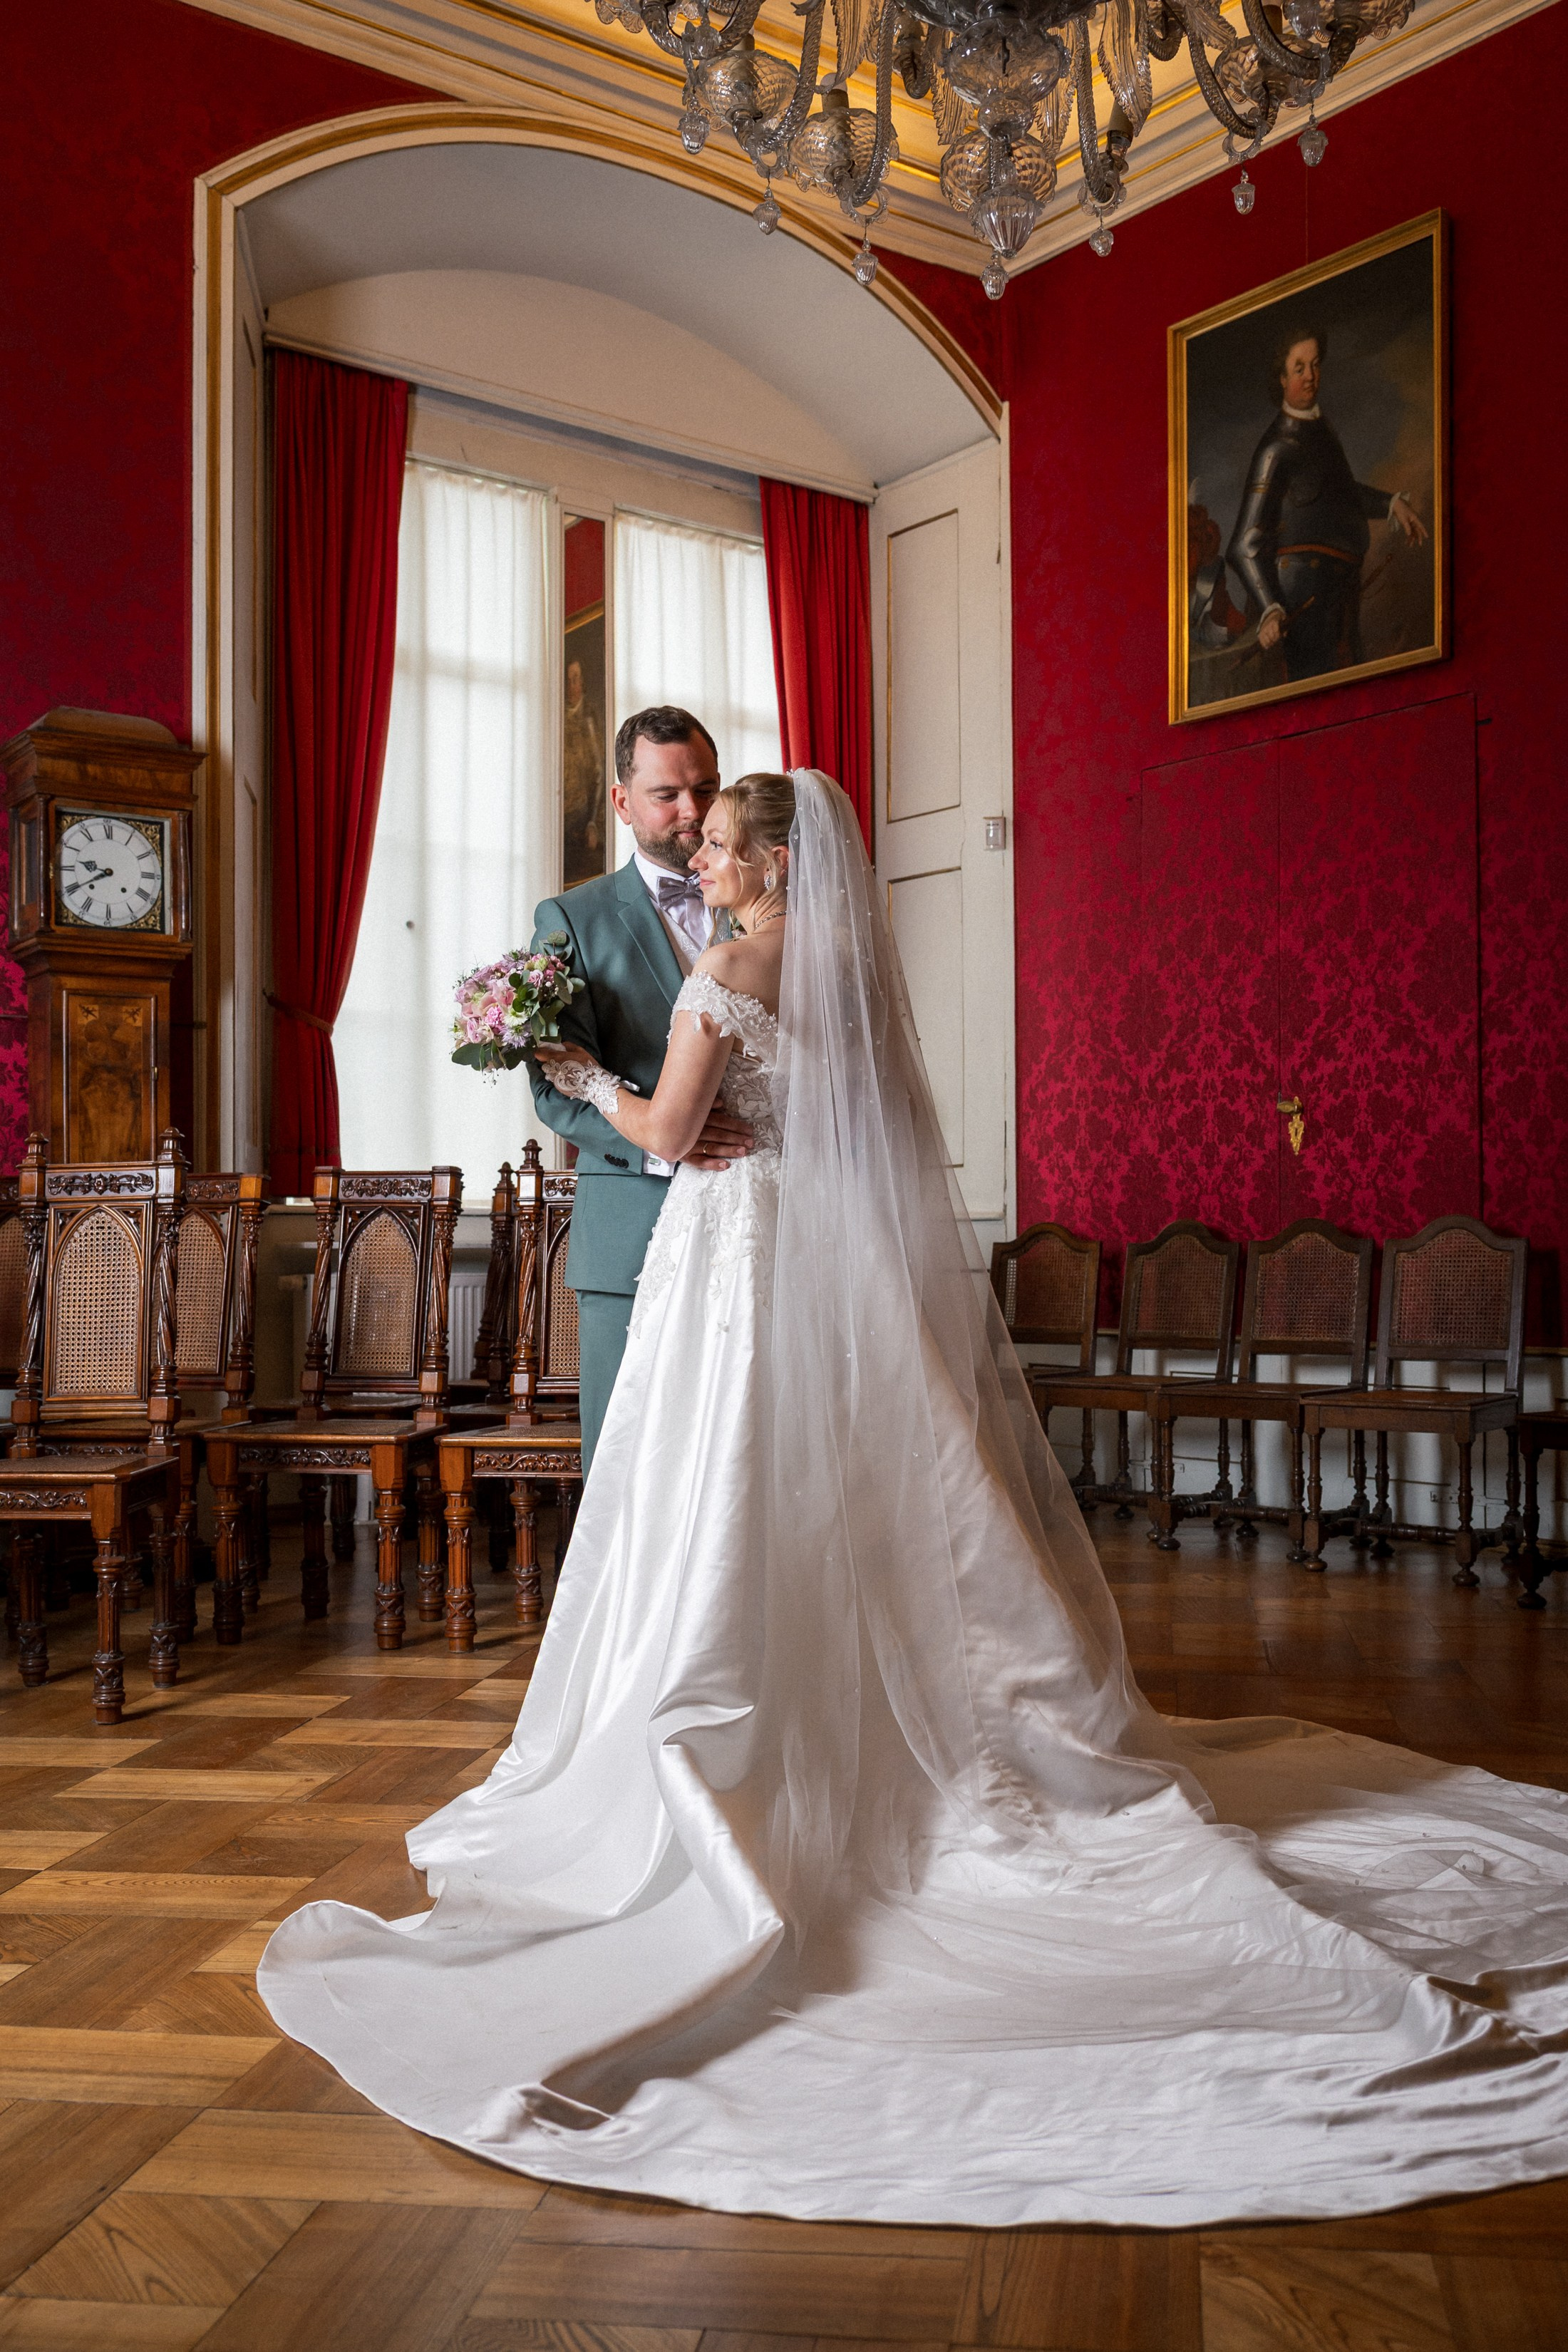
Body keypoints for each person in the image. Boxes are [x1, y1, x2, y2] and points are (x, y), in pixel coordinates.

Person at [259, 771, 1568, 2227]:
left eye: (717, 840)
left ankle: (735, 1717)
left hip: (731, 1261)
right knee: (855, 1499)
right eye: (688, 830)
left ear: (763, 864)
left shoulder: (725, 969)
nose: (699, 851)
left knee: (718, 1495)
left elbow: (669, 1137)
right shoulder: (842, 978)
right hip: (821, 1264)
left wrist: (571, 1075)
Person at [527, 703, 753, 1470]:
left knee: (734, 1464)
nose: (691, 812)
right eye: (667, 794)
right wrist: (671, 1143)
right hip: (630, 1232)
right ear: (622, 802)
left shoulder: (764, 906)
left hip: (755, 1229)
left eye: (706, 789)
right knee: (626, 1466)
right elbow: (559, 1089)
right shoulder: (572, 918)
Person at [1228, 323, 1430, 682]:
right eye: (1299, 368)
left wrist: (1390, 504)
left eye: (1316, 364)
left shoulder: (1321, 430)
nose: (1310, 376)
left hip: (1339, 595)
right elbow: (1245, 542)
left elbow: (1339, 494)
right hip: (1302, 605)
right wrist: (1271, 611)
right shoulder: (1276, 449)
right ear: (1281, 379)